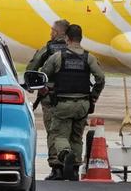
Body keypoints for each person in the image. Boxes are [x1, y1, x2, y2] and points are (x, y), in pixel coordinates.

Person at [41, 24, 105, 181]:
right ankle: (75, 169)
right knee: (77, 136)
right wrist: (93, 96)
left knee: (58, 134)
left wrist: (44, 90)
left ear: (67, 39)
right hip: (83, 104)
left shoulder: (58, 57)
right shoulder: (89, 58)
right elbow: (100, 78)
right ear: (80, 38)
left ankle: (65, 153)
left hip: (63, 103)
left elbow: (43, 74)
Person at [26, 19, 70, 178]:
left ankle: (56, 167)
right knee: (70, 133)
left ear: (58, 32)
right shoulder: (77, 52)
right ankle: (72, 168)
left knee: (53, 132)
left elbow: (32, 68)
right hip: (73, 98)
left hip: (51, 98)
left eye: (52, 30)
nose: (50, 32)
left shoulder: (47, 49)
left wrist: (34, 86)